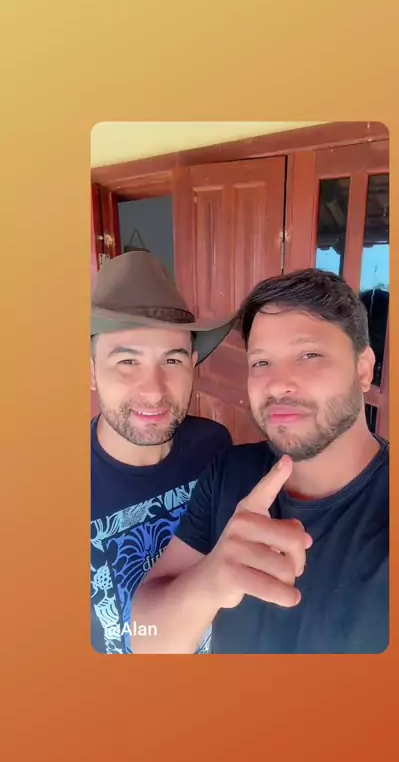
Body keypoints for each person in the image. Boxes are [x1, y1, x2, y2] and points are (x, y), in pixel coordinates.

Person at [131, 268, 389, 654]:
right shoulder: (230, 473)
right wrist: (209, 582)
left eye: (309, 355)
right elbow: (146, 640)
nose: (277, 383)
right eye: (261, 363)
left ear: (363, 369)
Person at [90, 251, 234, 654]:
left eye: (171, 360)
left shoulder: (214, 446)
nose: (154, 391)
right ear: (90, 371)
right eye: (127, 361)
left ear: (193, 365)